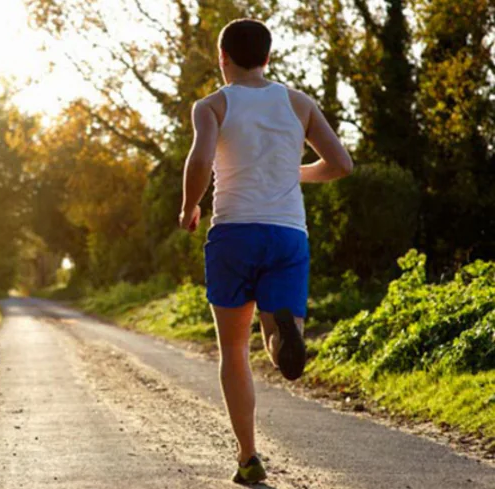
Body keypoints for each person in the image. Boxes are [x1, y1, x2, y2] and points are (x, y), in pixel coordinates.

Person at [178, 18, 354, 485]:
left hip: (234, 233)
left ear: (223, 58)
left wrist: (190, 206)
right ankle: (284, 341)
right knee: (277, 338)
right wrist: (293, 173)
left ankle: (248, 456)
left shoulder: (212, 105)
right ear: (268, 58)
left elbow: (200, 159)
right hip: (287, 234)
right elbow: (340, 164)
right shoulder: (298, 103)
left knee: (234, 349)